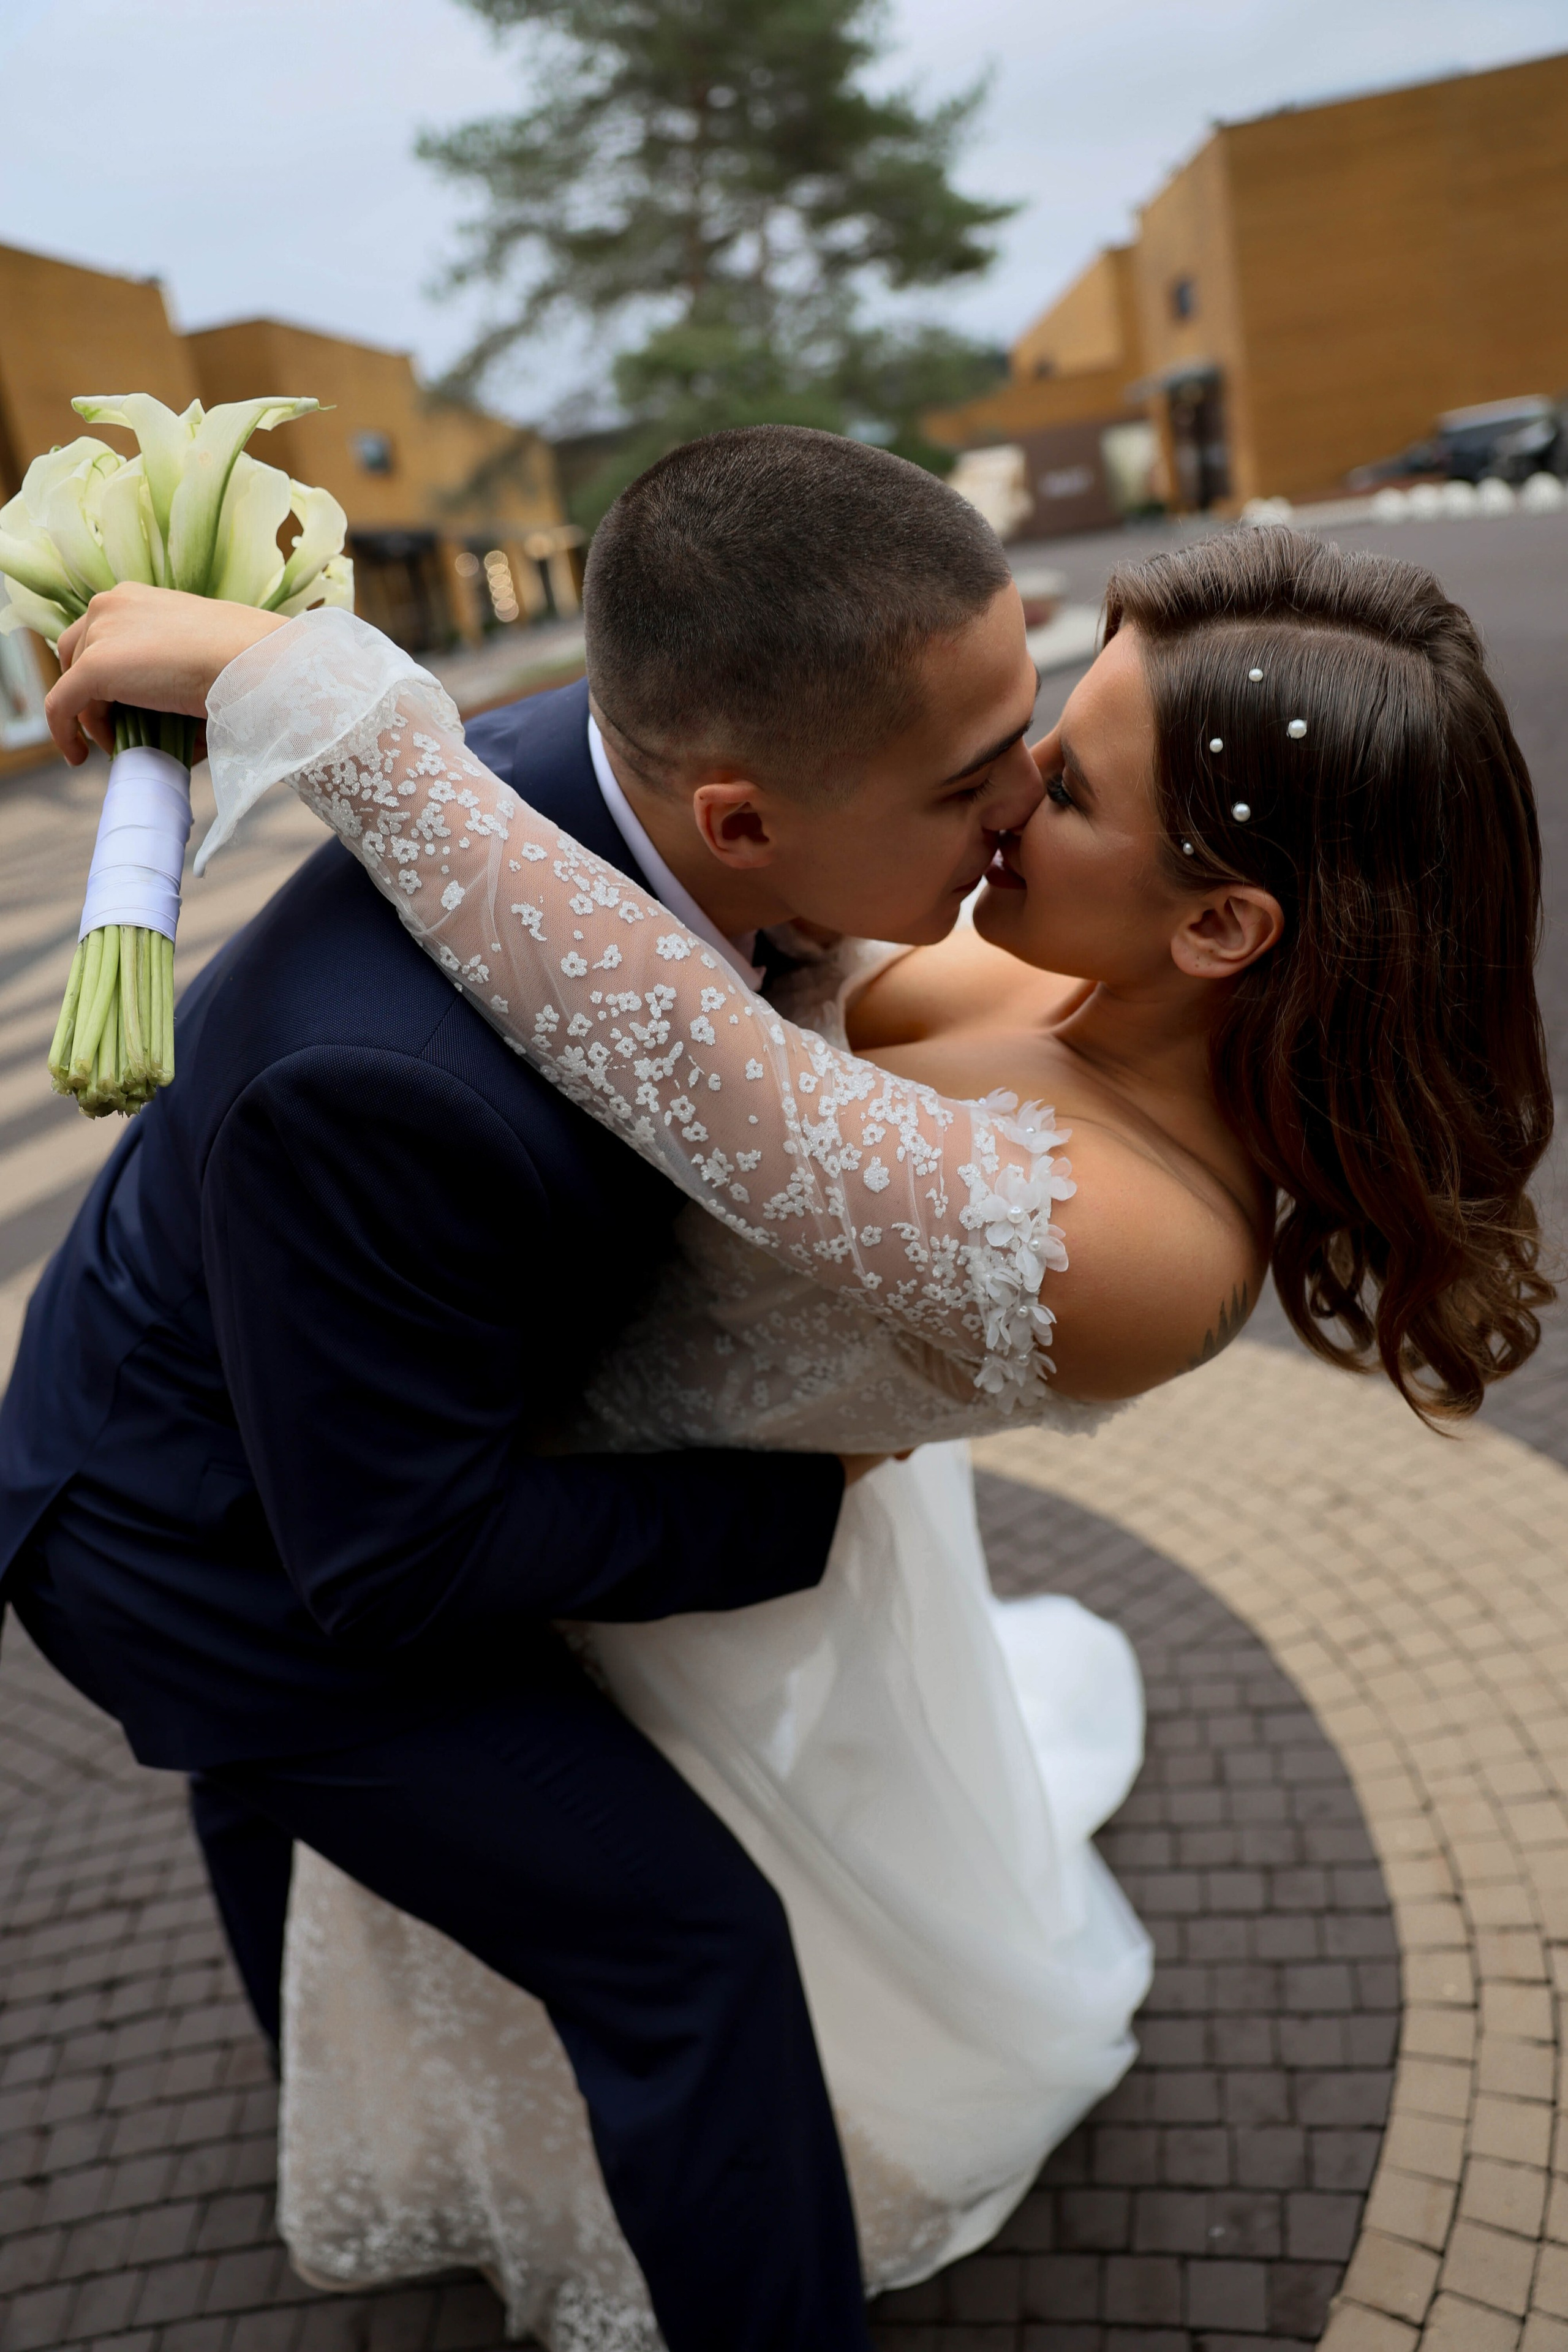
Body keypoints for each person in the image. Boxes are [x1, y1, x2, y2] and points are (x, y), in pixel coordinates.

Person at [39, 480, 1555, 2342]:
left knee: (687, 1948)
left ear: (1228, 924)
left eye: (1061, 787)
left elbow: (696, 1057)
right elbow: (752, 897)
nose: (1007, 808)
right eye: (1023, 752)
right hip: (323, 1464)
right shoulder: (1074, 962)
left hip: (663, 1527)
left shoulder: (1149, 1245)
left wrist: (329, 697)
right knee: (363, 1809)